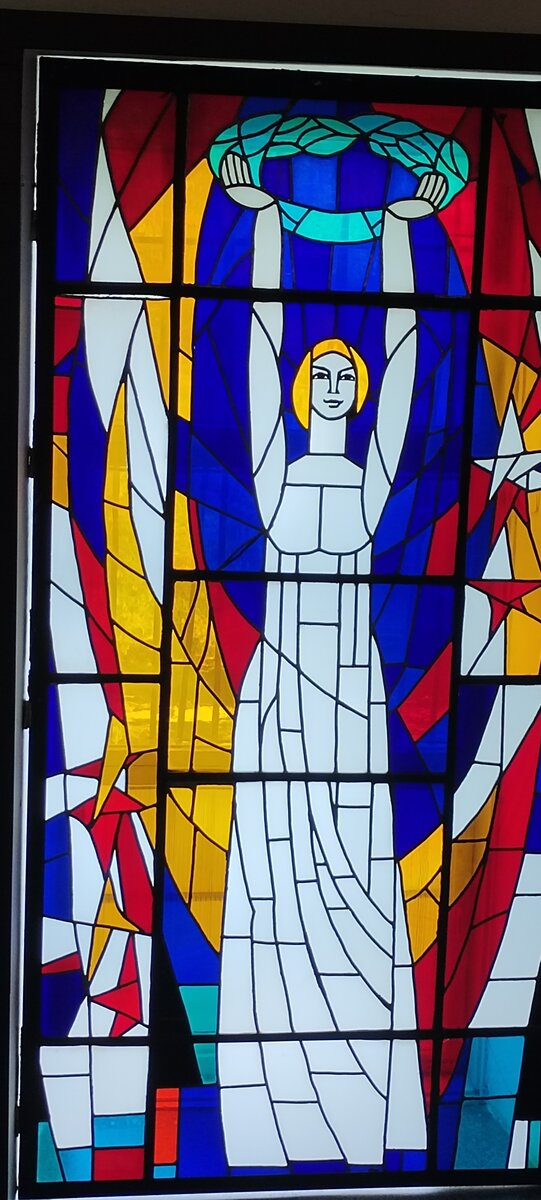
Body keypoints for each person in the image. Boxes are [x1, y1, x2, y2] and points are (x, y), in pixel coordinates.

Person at [216, 151, 446, 1168]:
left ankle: (358, 1112)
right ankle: (275, 1113)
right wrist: (264, 224)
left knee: (353, 895)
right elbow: (259, 342)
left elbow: (406, 352)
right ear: (306, 390)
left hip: (349, 697)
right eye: (323, 374)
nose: (336, 382)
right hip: (280, 701)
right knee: (275, 895)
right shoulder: (275, 473)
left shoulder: (369, 479)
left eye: (345, 377)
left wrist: (398, 235)